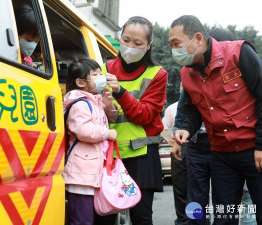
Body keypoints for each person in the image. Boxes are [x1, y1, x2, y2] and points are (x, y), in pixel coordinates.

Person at [169, 15, 262, 225]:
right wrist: (185, 129)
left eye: (177, 44)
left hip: (253, 151)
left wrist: (261, 145)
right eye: (171, 45)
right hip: (221, 153)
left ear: (198, 38)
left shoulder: (239, 53)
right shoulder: (187, 73)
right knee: (224, 216)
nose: (174, 50)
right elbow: (193, 110)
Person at [94, 16, 168, 225]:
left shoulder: (157, 74)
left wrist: (120, 92)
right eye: (126, 40)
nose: (129, 47)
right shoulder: (103, 68)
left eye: (137, 44)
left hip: (141, 155)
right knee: (103, 215)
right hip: (108, 153)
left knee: (141, 217)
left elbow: (145, 115)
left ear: (148, 46)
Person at [62, 58, 118, 225]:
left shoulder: (95, 101)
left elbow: (109, 118)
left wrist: (108, 106)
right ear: (80, 82)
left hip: (92, 173)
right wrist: (108, 133)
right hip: (81, 176)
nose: (101, 77)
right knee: (82, 220)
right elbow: (84, 131)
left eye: (100, 73)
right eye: (95, 75)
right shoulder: (80, 103)